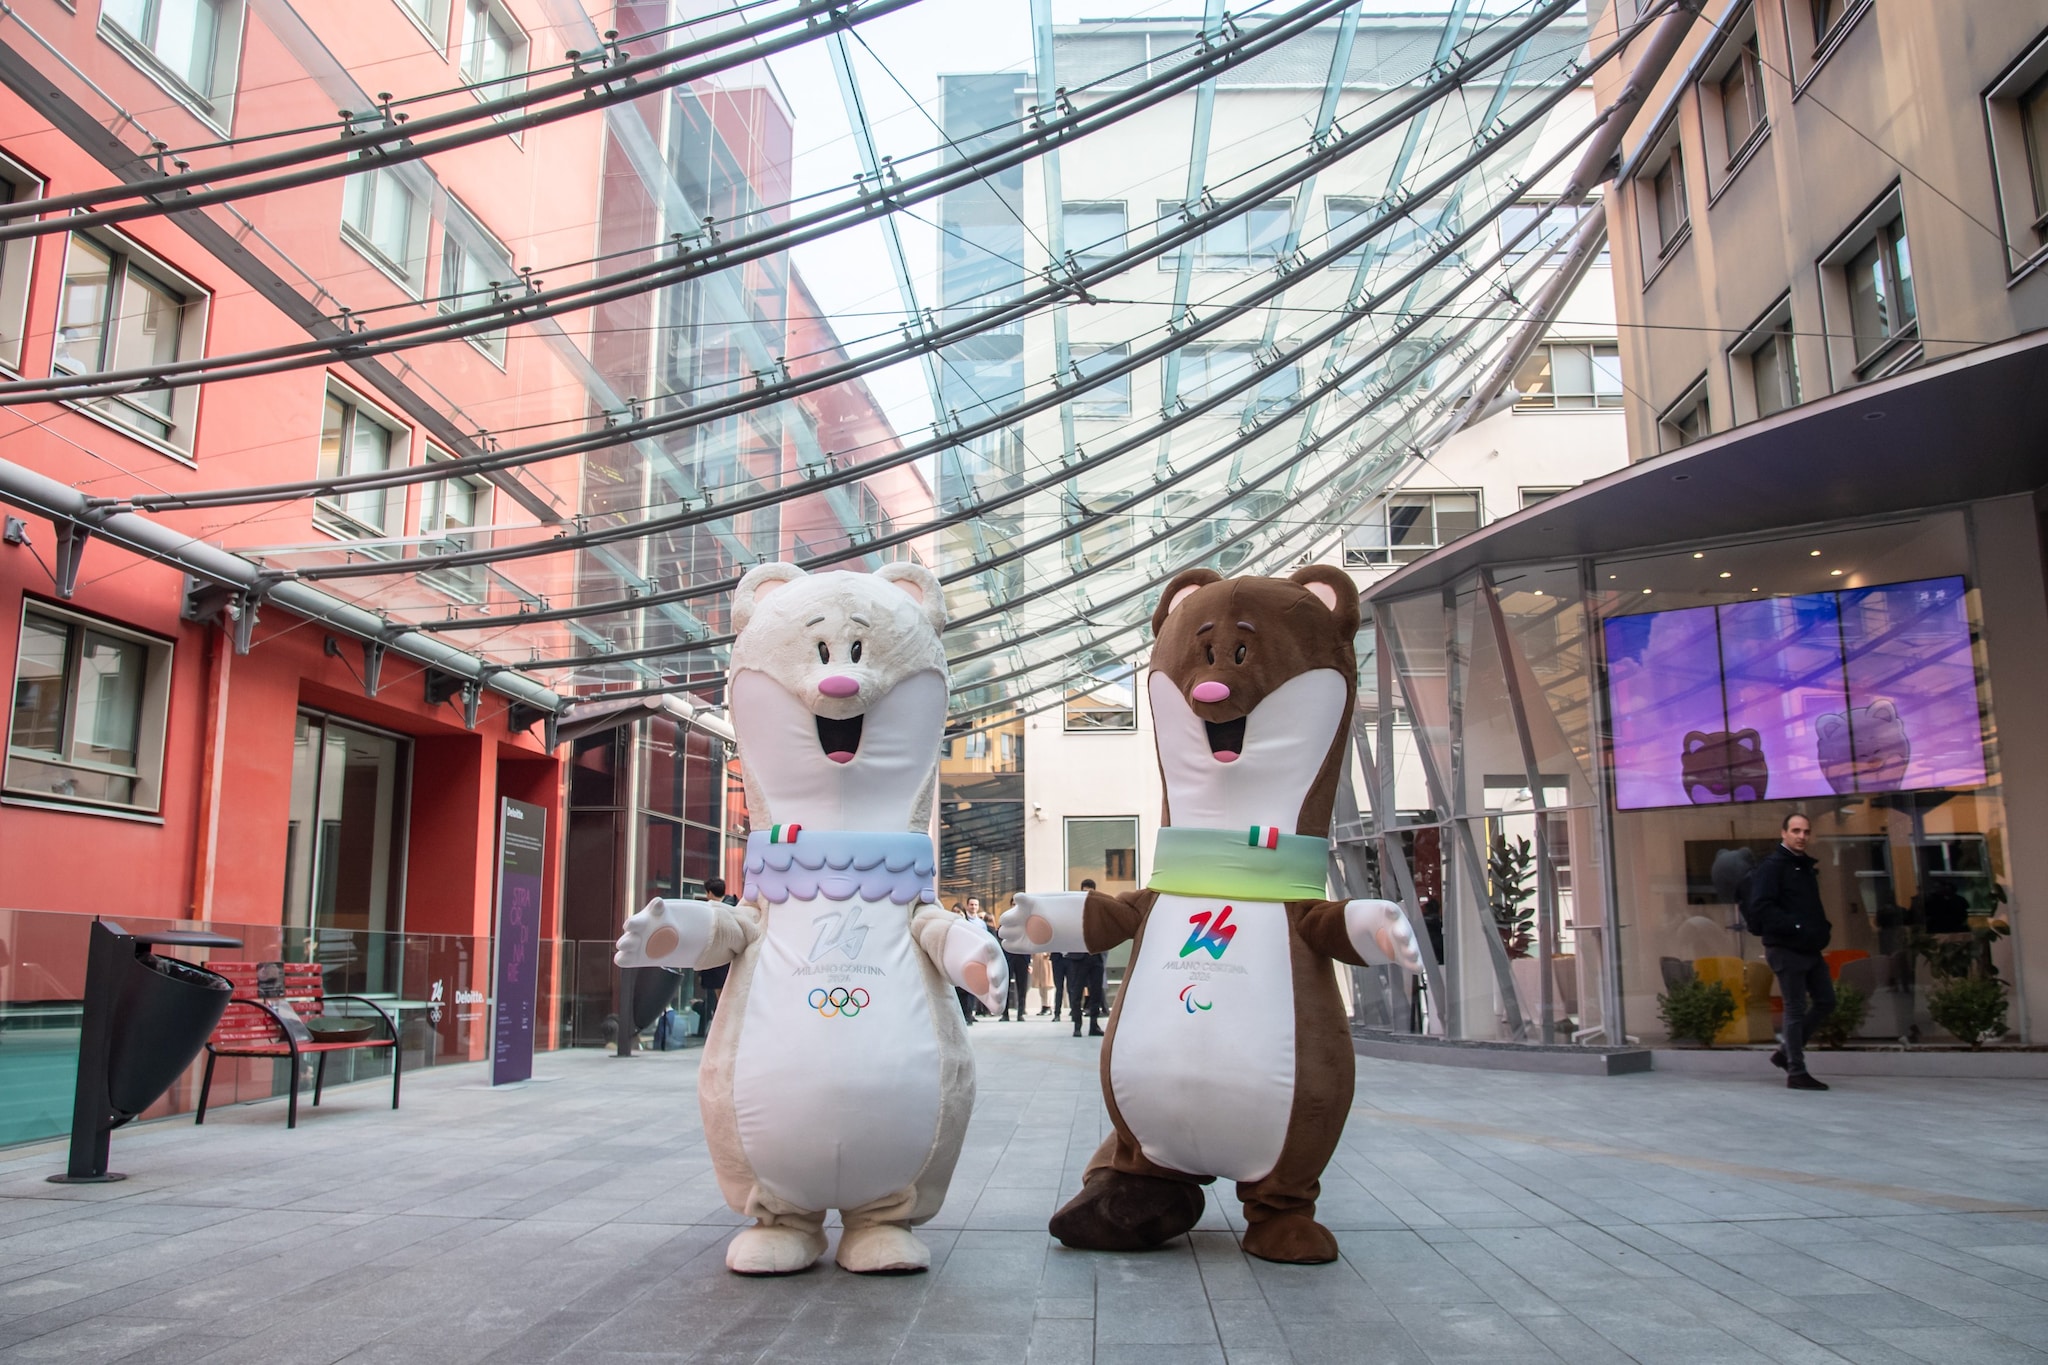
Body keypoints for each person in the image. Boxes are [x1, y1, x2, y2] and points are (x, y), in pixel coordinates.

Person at [1745, 812, 1835, 1091]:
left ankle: (1786, 1053)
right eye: (1796, 831)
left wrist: (1821, 928)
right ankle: (1796, 1070)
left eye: (1806, 832)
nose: (1801, 836)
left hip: (1808, 947)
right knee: (1795, 1008)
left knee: (1826, 1001)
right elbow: (1761, 907)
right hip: (1786, 948)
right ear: (1783, 833)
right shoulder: (1773, 866)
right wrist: (1796, 926)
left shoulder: (1802, 866)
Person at [694, 877, 739, 1034]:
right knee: (727, 997)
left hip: (718, 961)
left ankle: (726, 1029)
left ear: (710, 893)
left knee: (722, 999)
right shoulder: (735, 906)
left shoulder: (712, 911)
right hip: (733, 959)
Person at [1067, 879, 1107, 1037]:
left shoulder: (1099, 910)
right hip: (1078, 957)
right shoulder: (1074, 910)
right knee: (1076, 993)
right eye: (1084, 891)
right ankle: (1077, 1025)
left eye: (1089, 892)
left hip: (1095, 956)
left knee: (1096, 992)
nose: (1086, 894)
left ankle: (1093, 1025)